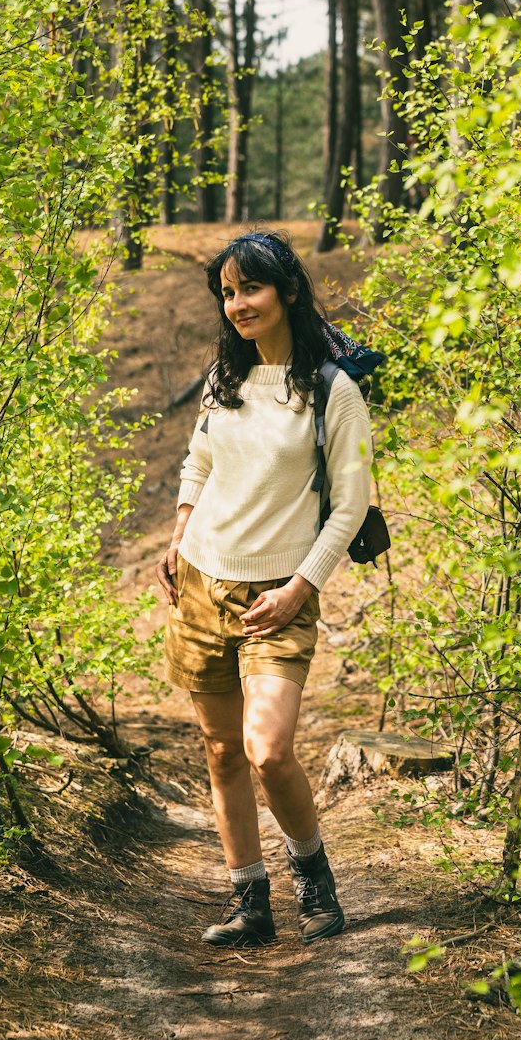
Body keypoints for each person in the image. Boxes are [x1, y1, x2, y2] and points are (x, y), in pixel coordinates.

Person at [155, 230, 372, 948]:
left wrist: (301, 590)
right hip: (202, 584)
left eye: (250, 288)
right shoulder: (225, 379)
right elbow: (198, 463)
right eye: (227, 292)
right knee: (221, 753)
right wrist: (179, 533)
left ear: (287, 292)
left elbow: (349, 506)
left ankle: (313, 875)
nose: (239, 303)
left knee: (268, 750)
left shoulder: (333, 391)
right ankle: (250, 899)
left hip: (278, 593)